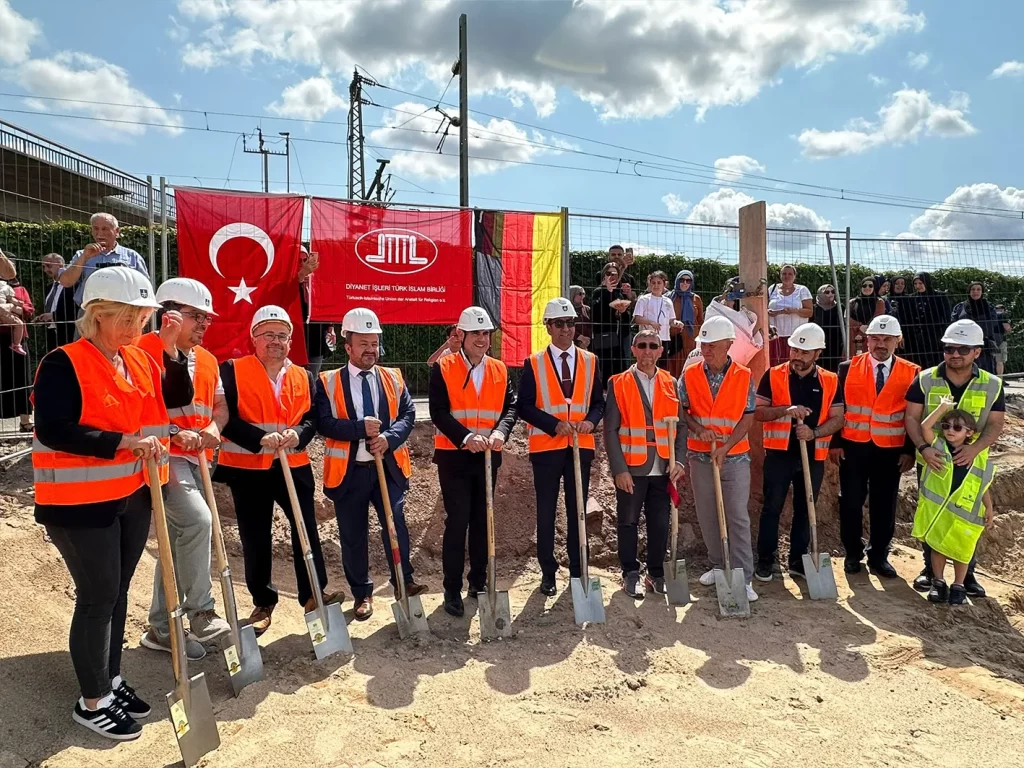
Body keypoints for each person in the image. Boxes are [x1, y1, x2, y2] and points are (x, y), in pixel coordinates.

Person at [32, 266, 190, 740]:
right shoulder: (64, 362)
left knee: (119, 593)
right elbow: (53, 429)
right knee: (98, 595)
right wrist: (123, 441)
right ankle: (92, 700)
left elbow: (175, 396)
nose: (135, 326)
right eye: (125, 317)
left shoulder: (138, 358)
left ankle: (109, 677)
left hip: (131, 495)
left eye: (140, 317)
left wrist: (174, 349)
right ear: (96, 314)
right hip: (78, 505)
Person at [214, 305, 342, 636]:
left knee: (306, 530)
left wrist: (299, 434)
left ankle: (314, 593)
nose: (275, 341)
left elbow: (313, 417)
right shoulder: (232, 370)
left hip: (293, 466)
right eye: (268, 334)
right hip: (248, 467)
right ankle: (263, 602)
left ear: (290, 340)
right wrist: (259, 438)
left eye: (282, 335)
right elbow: (225, 419)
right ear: (254, 338)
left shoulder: (303, 374)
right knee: (256, 535)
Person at [134, 279, 230, 660]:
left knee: (176, 543)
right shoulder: (142, 351)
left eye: (206, 318)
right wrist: (177, 432)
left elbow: (219, 408)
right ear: (168, 313)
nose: (204, 325)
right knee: (197, 522)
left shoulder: (207, 359)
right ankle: (201, 611)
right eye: (196, 316)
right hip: (161, 457)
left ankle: (160, 628)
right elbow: (137, 409)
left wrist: (211, 429)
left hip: (198, 459)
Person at [315, 307, 425, 621]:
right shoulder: (328, 382)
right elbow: (324, 423)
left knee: (396, 526)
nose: (371, 350)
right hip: (349, 474)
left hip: (387, 470)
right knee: (353, 536)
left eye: (374, 343)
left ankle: (404, 581)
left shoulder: (393, 377)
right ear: (347, 346)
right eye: (363, 343)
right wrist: (359, 429)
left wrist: (389, 438)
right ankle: (362, 594)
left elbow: (408, 416)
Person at [905, 319, 1005, 598]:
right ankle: (931, 572)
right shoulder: (925, 379)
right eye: (950, 348)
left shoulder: (992, 384)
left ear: (977, 352)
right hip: (934, 462)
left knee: (966, 520)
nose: (955, 354)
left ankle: (967, 576)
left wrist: (975, 449)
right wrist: (924, 448)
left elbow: (996, 424)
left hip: (971, 464)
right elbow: (912, 418)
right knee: (933, 514)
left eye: (963, 349)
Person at [429, 306, 517, 616]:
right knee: (458, 521)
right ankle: (451, 587)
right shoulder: (443, 367)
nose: (482, 339)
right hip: (455, 457)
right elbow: (438, 412)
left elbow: (510, 408)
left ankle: (477, 582)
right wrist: (466, 438)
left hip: (489, 456)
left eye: (486, 333)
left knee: (483, 520)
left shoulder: (499, 369)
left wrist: (501, 433)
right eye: (476, 333)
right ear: (461, 335)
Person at [517, 297, 605, 596]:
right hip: (546, 448)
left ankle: (579, 571)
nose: (566, 329)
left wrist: (591, 421)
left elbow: (598, 404)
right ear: (548, 327)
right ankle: (548, 571)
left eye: (570, 323)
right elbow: (524, 407)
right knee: (546, 511)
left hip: (581, 447)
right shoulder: (534, 362)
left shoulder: (591, 361)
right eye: (559, 324)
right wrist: (553, 425)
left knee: (577, 511)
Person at [754, 323, 843, 581]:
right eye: (794, 350)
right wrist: (785, 410)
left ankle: (798, 560)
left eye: (805, 352)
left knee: (807, 509)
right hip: (779, 454)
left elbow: (838, 418)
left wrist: (813, 433)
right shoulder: (773, 375)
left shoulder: (830, 380)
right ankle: (766, 560)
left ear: (817, 354)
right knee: (772, 507)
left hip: (813, 456)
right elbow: (759, 413)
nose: (797, 357)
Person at [679, 316, 758, 602]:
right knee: (707, 513)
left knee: (736, 515)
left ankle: (742, 576)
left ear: (728, 344)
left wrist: (726, 447)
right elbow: (682, 412)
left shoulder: (743, 375)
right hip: (700, 455)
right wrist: (699, 429)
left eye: (713, 345)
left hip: (734, 457)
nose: (707, 349)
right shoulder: (689, 375)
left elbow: (748, 417)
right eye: (704, 344)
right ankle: (718, 565)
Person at [833, 315, 918, 576]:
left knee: (884, 504)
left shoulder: (912, 372)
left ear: (898, 341)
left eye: (887, 339)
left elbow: (914, 415)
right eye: (875, 338)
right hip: (853, 447)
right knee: (850, 502)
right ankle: (852, 553)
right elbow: (837, 407)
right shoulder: (847, 368)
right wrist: (835, 443)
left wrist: (909, 450)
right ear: (867, 339)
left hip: (890, 450)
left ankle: (879, 555)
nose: (880, 344)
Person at [603, 329, 686, 598]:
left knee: (659, 522)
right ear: (634, 349)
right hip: (632, 467)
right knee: (628, 521)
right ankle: (630, 573)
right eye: (642, 345)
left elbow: (681, 426)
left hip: (663, 468)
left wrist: (680, 462)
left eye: (653, 346)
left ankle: (656, 573)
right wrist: (619, 469)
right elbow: (610, 430)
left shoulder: (671, 383)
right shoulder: (619, 383)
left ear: (661, 350)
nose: (648, 351)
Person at [911, 401, 994, 605]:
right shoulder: (938, 446)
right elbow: (925, 428)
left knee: (962, 550)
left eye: (957, 427)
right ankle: (939, 583)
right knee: (937, 548)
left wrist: (989, 507)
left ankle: (958, 585)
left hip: (965, 513)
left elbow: (982, 485)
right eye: (946, 426)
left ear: (970, 433)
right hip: (940, 512)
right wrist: (941, 409)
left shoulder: (978, 456)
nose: (950, 430)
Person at [58, 213, 150, 309]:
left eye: (105, 229)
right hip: (90, 312)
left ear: (117, 231)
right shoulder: (82, 255)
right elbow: (66, 282)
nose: (100, 234)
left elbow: (144, 286)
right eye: (96, 229)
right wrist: (84, 258)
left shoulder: (132, 256)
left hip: (123, 311)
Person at [0, 249, 34, 431]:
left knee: (22, 378)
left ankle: (25, 421)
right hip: (0, 338)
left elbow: (28, 310)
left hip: (18, 339)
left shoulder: (20, 289)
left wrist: (8, 308)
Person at [590, 262, 632, 387]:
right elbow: (596, 313)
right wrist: (607, 292)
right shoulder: (598, 291)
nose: (612, 276)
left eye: (615, 274)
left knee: (619, 370)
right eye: (609, 273)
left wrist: (622, 313)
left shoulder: (618, 293)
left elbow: (627, 318)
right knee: (603, 370)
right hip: (603, 338)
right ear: (604, 275)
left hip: (617, 338)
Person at [297, 245, 335, 376]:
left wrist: (331, 327)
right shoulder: (289, 282)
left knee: (312, 378)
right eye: (299, 260)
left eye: (305, 259)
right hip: (297, 341)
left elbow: (325, 305)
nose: (302, 263)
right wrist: (301, 276)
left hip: (316, 339)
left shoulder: (317, 282)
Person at [903, 272, 952, 368]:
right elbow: (907, 318)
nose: (918, 286)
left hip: (935, 337)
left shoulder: (939, 297)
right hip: (916, 339)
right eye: (915, 284)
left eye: (920, 283)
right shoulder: (911, 298)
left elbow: (947, 318)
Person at [767, 265, 813, 365]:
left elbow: (809, 312)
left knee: (794, 365)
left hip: (795, 336)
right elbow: (764, 307)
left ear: (794, 276)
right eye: (784, 274)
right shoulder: (772, 289)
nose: (786, 276)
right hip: (776, 337)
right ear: (780, 275)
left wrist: (795, 311)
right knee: (775, 364)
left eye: (790, 274)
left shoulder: (802, 290)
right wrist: (768, 312)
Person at [632, 271, 678, 370]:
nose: (656, 285)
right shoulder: (643, 299)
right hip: (647, 339)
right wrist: (651, 323)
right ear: (650, 284)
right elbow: (637, 319)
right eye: (653, 282)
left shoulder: (668, 301)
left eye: (659, 282)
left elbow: (671, 320)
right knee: (646, 364)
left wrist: (676, 323)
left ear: (664, 284)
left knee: (662, 367)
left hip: (664, 339)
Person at [952, 282, 1000, 374]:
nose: (975, 292)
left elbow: (993, 324)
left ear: (982, 292)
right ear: (969, 291)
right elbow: (954, 324)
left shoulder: (989, 307)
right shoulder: (960, 307)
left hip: (983, 346)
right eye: (973, 289)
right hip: (963, 345)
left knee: (984, 372)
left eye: (978, 289)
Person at [667, 269, 704, 377]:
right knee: (674, 371)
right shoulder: (669, 298)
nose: (685, 283)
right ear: (677, 281)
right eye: (682, 280)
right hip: (675, 341)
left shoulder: (696, 299)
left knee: (692, 371)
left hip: (692, 341)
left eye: (688, 281)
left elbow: (700, 320)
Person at [40, 253, 78, 351]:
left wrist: (53, 316)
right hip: (51, 335)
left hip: (69, 333)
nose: (45, 270)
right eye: (43, 266)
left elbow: (74, 309)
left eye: (49, 266)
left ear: (60, 265)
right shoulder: (49, 288)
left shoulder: (72, 285)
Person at [848, 276, 885, 357]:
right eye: (864, 286)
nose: (867, 288)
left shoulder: (879, 302)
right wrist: (859, 326)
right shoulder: (852, 302)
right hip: (854, 336)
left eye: (870, 286)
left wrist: (864, 330)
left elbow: (877, 318)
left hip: (871, 335)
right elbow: (847, 318)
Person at [813, 284, 843, 372]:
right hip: (818, 342)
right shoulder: (815, 308)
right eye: (827, 292)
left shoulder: (840, 307)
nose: (831, 294)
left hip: (836, 343)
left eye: (833, 292)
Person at [0, 274, 28, 355]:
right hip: (4, 314)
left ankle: (16, 345)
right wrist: (17, 304)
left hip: (5, 317)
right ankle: (16, 345)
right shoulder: (6, 287)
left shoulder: (20, 289)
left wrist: (11, 307)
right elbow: (11, 299)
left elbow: (28, 309)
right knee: (19, 324)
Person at [569, 284, 593, 349]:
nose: (582, 296)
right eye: (580, 294)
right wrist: (580, 338)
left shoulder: (587, 309)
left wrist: (587, 340)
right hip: (573, 343)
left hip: (589, 344)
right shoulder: (568, 310)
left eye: (583, 294)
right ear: (572, 294)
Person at [993, 304, 1011, 376]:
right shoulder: (1002, 315)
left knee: (990, 360)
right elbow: (1007, 328)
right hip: (1000, 339)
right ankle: (1000, 379)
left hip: (990, 339)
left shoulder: (990, 315)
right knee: (999, 361)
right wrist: (1009, 329)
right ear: (1003, 310)